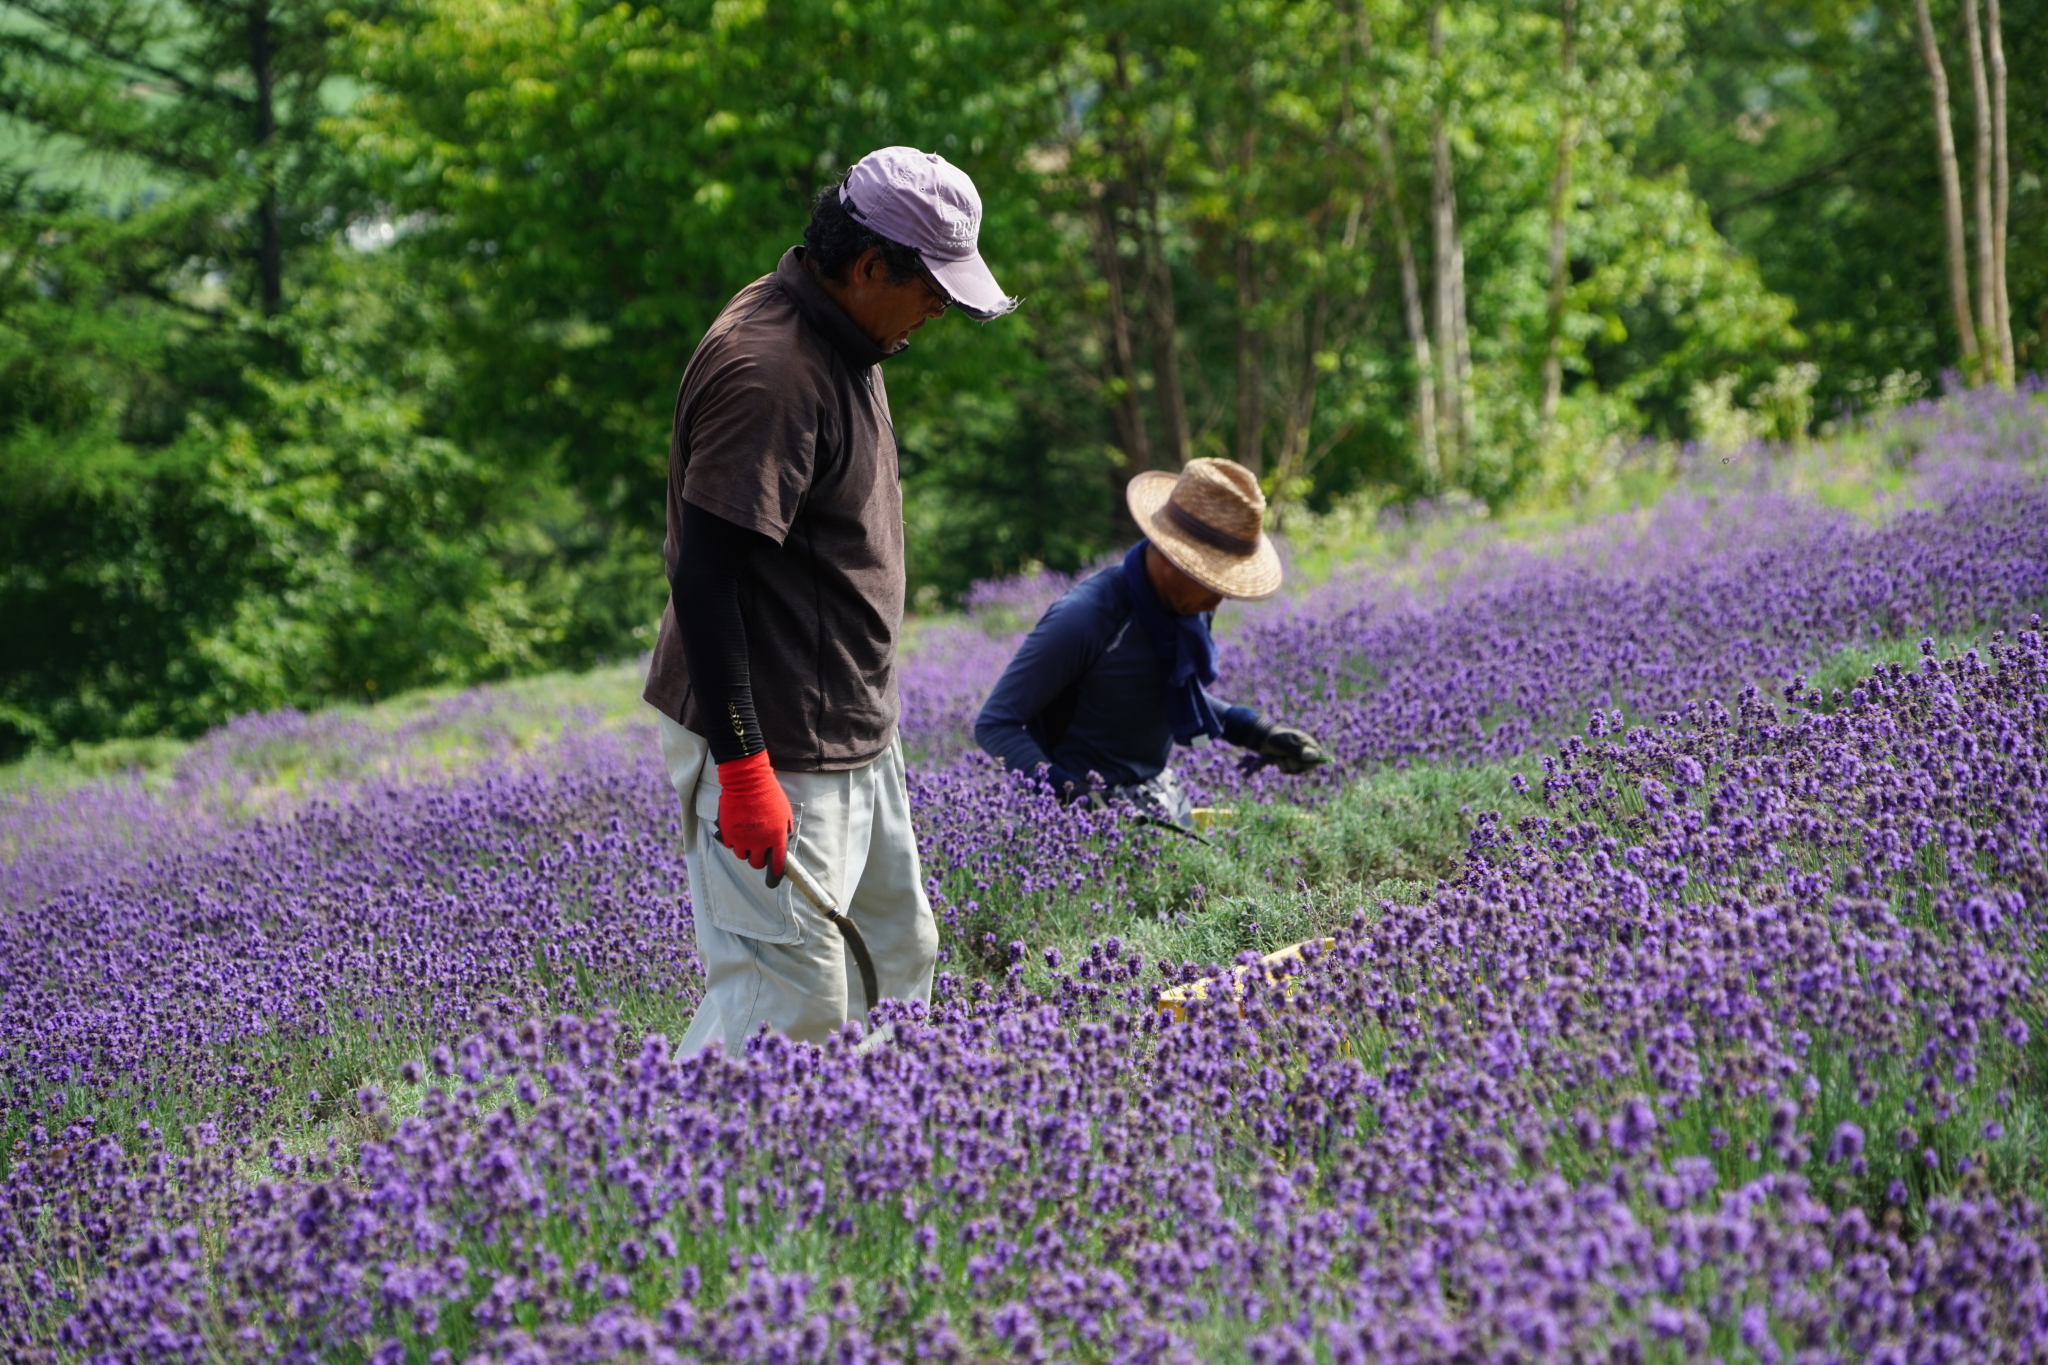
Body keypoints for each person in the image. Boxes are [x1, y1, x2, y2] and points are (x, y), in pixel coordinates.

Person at [644, 147, 1017, 1052]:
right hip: (774, 740)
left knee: (896, 958)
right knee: (789, 1008)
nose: (938, 312)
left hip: (850, 728)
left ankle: (862, 1166)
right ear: (867, 265)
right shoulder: (770, 372)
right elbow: (705, 575)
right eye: (932, 289)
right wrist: (742, 769)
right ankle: (671, 1181)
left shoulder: (849, 330)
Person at [975, 458, 1330, 829]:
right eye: (1210, 581)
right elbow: (996, 724)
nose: (1217, 601)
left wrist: (1257, 732)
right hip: (1077, 832)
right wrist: (1072, 796)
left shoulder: (1185, 608)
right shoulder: (1087, 617)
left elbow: (1157, 690)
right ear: (1169, 556)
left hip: (1158, 800)